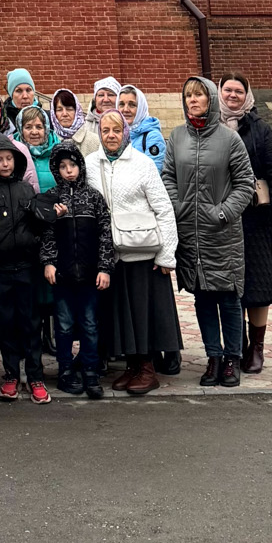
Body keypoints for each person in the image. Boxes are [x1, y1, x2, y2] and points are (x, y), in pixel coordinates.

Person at [162, 77, 255, 389]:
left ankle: (232, 359)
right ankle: (213, 357)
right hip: (191, 233)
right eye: (188, 95)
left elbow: (246, 183)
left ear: (211, 99)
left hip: (222, 234)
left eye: (199, 95)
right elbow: (168, 176)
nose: (193, 100)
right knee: (202, 297)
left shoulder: (229, 139)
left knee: (228, 298)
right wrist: (178, 207)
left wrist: (223, 212)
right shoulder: (177, 137)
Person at [88, 108, 180, 395]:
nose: (111, 135)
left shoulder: (142, 164)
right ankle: (132, 366)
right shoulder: (91, 164)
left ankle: (148, 369)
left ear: (125, 132)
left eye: (117, 130)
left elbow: (164, 209)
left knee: (143, 313)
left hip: (143, 253)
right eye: (105, 130)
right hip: (111, 255)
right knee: (122, 314)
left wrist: (167, 254)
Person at [0, 129, 48, 403]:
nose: (5, 164)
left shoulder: (26, 189)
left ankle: (35, 376)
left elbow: (38, 226)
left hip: (27, 267)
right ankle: (11, 374)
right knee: (7, 324)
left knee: (31, 322)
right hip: (0, 271)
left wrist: (50, 215)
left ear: (16, 160)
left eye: (9, 158)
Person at [218, 71, 272, 374]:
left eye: (238, 91)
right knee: (229, 284)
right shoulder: (212, 127)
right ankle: (239, 343)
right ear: (219, 92)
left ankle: (256, 347)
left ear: (247, 95)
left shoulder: (260, 129)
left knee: (258, 284)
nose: (233, 95)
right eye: (228, 90)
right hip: (223, 219)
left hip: (257, 219)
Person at [33, 140, 114, 397]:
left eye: (73, 165)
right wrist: (48, 262)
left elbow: (105, 234)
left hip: (90, 276)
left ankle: (90, 371)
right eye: (63, 166)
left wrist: (104, 267)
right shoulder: (52, 198)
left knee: (89, 324)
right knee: (64, 326)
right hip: (63, 276)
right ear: (56, 170)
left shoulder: (94, 197)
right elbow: (45, 234)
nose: (69, 170)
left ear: (81, 166)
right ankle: (66, 371)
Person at [117, 85, 167, 170]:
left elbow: (154, 172)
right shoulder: (116, 133)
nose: (125, 109)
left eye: (132, 105)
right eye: (121, 104)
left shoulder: (153, 137)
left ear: (141, 107)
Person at [17, 103, 60, 194]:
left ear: (46, 129)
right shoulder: (13, 153)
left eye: (39, 127)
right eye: (28, 127)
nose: (34, 132)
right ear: (21, 130)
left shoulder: (59, 152)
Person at [48, 87, 96, 158]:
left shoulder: (94, 141)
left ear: (77, 112)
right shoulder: (48, 142)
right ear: (54, 114)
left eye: (69, 109)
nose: (64, 114)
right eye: (59, 110)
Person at [2, 69, 38, 134]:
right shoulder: (3, 120)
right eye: (19, 91)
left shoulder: (45, 117)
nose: (25, 96)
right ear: (12, 95)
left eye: (28, 90)